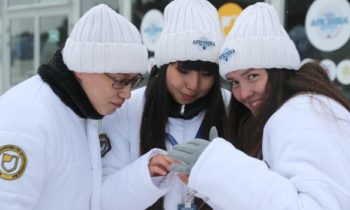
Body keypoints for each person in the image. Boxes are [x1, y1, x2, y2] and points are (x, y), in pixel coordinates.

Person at [168, 2, 350, 210]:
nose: (243, 93)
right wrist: (212, 181)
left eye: (253, 76)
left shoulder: (303, 113)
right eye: (234, 82)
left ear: (278, 70)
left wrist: (220, 168)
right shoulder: (297, 110)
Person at [0, 4, 148, 210]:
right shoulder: (25, 118)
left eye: (134, 81)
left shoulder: (81, 111)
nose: (128, 93)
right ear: (82, 68)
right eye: (120, 80)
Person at [100, 0, 230, 209]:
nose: (193, 85)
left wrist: (221, 172)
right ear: (164, 65)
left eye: (206, 74)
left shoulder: (231, 107)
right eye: (184, 71)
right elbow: (104, 200)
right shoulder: (126, 108)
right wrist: (145, 174)